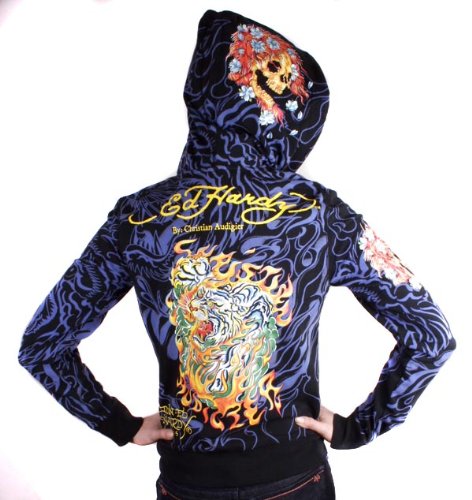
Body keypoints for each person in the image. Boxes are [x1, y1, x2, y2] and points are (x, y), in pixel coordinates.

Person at [18, 9, 456, 500]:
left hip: (189, 480)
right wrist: (360, 426)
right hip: (294, 475)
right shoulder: (319, 215)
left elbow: (43, 342)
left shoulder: (141, 217)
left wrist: (119, 424)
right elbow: (430, 334)